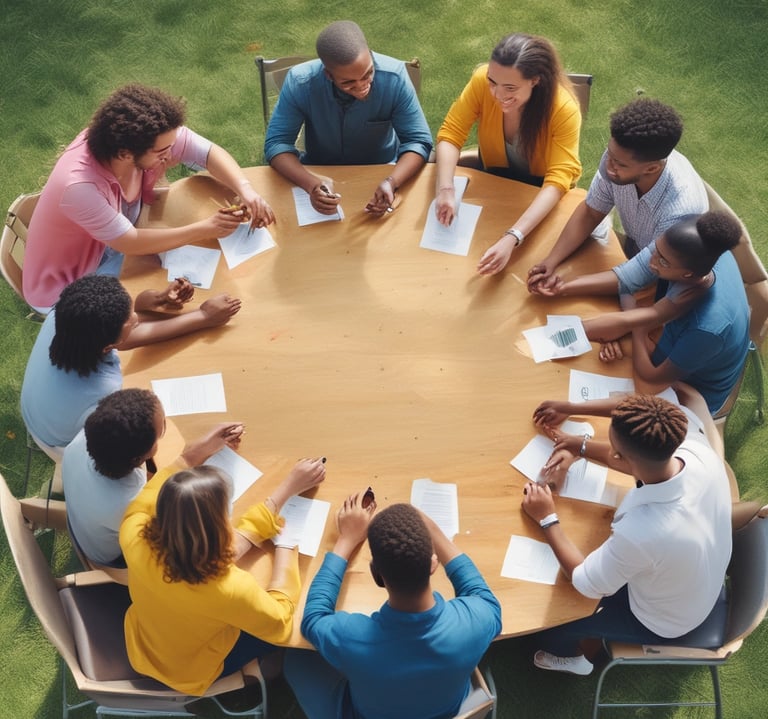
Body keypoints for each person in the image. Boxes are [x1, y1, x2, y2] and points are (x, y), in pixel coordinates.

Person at [522, 394, 732, 676]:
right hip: (698, 576)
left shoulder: (644, 531)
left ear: (620, 457)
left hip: (667, 619)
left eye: (614, 449)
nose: (610, 452)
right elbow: (632, 421)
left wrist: (546, 517)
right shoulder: (694, 446)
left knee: (552, 627)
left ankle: (580, 661)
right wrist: (577, 445)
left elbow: (583, 581)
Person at [23, 83, 274, 313]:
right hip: (73, 285)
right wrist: (206, 228)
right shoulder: (80, 188)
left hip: (114, 244)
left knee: (195, 275)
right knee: (179, 302)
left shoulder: (131, 140)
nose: (170, 155)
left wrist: (246, 191)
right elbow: (129, 242)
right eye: (162, 151)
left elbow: (207, 153)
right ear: (125, 154)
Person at [119, 447, 327, 696]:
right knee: (289, 630)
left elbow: (161, 486)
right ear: (217, 526)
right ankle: (269, 671)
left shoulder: (132, 530)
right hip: (189, 670)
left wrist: (286, 489)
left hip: (145, 641)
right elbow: (280, 620)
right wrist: (286, 545)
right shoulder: (229, 590)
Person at [284, 498, 502, 719]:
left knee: (296, 657)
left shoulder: (352, 639)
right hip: (448, 709)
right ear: (433, 564)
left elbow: (314, 618)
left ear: (376, 574)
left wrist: (346, 540)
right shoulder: (476, 621)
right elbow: (480, 594)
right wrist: (433, 530)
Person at [530, 211, 749, 415]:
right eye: (656, 249)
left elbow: (648, 386)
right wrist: (564, 289)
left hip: (691, 394)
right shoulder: (700, 248)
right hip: (667, 342)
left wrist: (637, 327)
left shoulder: (706, 328)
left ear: (687, 274)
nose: (651, 261)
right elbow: (630, 288)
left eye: (662, 261)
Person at [20, 274, 239, 459]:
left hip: (40, 410)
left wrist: (160, 301)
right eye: (129, 320)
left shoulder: (66, 319)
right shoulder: (103, 393)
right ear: (107, 346)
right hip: (60, 443)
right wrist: (203, 316)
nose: (135, 318)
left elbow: (126, 333)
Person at [435, 32, 582, 275]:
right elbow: (451, 133)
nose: (498, 95)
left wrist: (513, 235)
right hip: (495, 185)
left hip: (540, 196)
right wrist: (445, 189)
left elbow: (558, 180)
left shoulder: (563, 109)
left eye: (510, 88)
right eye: (493, 82)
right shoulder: (480, 80)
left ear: (535, 80)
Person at [527, 98, 708, 291]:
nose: (608, 165)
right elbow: (591, 213)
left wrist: (564, 286)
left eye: (619, 164)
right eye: (610, 154)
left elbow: (644, 272)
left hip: (667, 281)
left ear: (652, 168)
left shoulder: (679, 214)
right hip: (635, 249)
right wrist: (551, 261)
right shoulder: (617, 161)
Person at [264, 20, 433, 217]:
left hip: (382, 171)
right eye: (348, 82)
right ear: (328, 75)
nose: (362, 86)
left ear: (370, 54)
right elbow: (277, 144)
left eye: (368, 73)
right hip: (319, 170)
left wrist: (392, 181)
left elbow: (417, 141)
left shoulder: (395, 77)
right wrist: (311, 184)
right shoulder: (300, 82)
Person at [62, 388, 164, 567]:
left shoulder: (84, 440)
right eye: (161, 431)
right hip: (111, 559)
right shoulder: (131, 503)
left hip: (83, 525)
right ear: (138, 458)